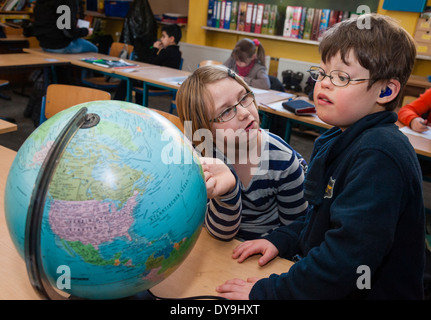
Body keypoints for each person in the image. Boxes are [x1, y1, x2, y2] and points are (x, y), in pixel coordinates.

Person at [216, 14, 425, 299]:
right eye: (323, 73)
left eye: (341, 77)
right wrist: (284, 239)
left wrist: (269, 293)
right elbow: (321, 217)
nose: (324, 84)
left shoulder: (379, 156)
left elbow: (344, 263)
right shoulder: (338, 138)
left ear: (386, 90)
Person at [175, 64, 308, 241]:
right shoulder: (202, 157)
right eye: (227, 111)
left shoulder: (283, 160)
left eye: (244, 97)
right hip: (220, 248)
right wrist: (227, 192)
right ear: (204, 129)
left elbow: (297, 231)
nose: (245, 112)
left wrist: (274, 242)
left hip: (267, 254)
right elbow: (220, 233)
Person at [114, 23, 182, 101]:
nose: (161, 39)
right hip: (166, 81)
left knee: (126, 81)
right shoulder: (178, 52)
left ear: (171, 39)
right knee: (138, 81)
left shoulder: (166, 52)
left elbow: (151, 64)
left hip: (157, 83)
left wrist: (155, 49)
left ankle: (116, 102)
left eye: (163, 36)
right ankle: (139, 106)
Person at [33, 0, 98, 53]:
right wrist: (86, 31)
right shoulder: (68, 1)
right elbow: (70, 32)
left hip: (44, 44)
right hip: (60, 45)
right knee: (94, 50)